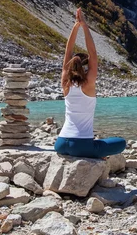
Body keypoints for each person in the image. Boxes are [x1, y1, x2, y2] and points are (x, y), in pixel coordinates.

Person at [54, 8, 126, 158]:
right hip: (80, 145)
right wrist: (84, 25)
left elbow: (68, 52)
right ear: (85, 66)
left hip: (60, 143)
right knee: (121, 143)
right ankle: (96, 154)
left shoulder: (65, 83)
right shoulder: (88, 82)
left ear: (69, 66)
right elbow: (93, 53)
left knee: (98, 144)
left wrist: (75, 26)